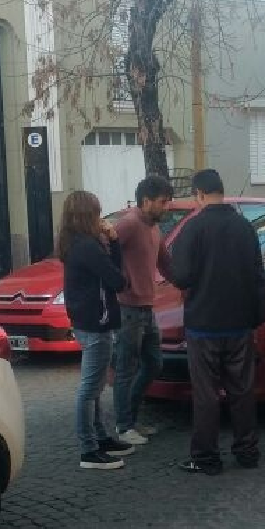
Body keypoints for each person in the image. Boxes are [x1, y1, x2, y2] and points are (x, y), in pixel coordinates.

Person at [169, 169, 265, 475]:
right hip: (239, 323)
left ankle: (206, 457)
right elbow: (258, 277)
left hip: (203, 324)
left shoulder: (193, 228)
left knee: (206, 394)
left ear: (199, 194)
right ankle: (247, 451)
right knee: (242, 391)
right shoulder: (244, 227)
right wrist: (256, 317)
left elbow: (182, 275)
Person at [57, 190, 135, 470]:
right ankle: (88, 449)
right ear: (87, 216)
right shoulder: (88, 247)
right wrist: (113, 243)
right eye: (97, 213)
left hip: (88, 321)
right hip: (96, 323)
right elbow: (117, 280)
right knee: (90, 388)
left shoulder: (75, 243)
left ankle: (100, 438)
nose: (101, 218)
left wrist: (111, 243)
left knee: (96, 385)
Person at [111, 175, 175, 446]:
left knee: (154, 363)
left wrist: (186, 282)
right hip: (127, 307)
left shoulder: (154, 229)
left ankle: (131, 419)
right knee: (126, 368)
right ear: (146, 200)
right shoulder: (129, 224)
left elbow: (166, 264)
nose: (166, 207)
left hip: (147, 307)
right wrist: (119, 281)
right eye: (163, 202)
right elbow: (105, 252)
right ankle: (123, 426)